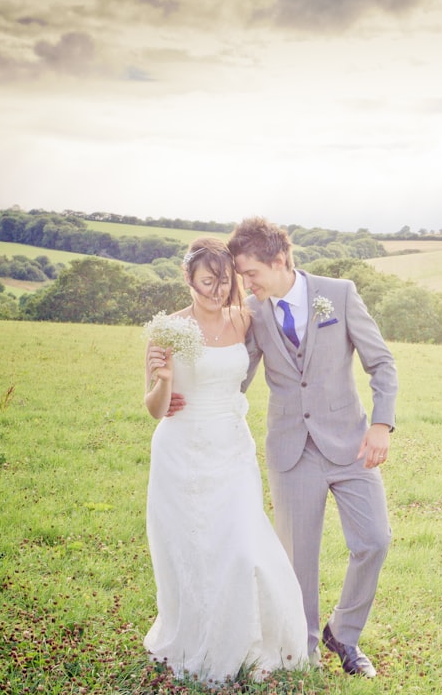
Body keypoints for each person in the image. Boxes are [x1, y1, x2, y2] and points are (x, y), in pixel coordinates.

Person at [228, 217, 397, 678]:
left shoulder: (338, 293)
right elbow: (239, 375)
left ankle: (343, 632)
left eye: (250, 273)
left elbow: (380, 361)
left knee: (375, 540)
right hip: (291, 451)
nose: (246, 283)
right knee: (298, 559)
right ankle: (302, 655)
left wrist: (381, 424)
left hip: (351, 442)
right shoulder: (254, 311)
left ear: (279, 259)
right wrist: (200, 399)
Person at [143, 238, 308, 686]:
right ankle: (197, 635)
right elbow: (155, 408)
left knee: (240, 545)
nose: (216, 292)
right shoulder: (168, 328)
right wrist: (163, 379)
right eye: (205, 283)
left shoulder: (245, 318)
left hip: (232, 448)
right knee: (193, 549)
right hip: (181, 451)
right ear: (188, 280)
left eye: (223, 282)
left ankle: (250, 640)